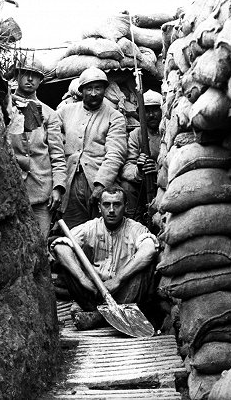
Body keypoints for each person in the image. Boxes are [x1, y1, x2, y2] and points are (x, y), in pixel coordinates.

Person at [50, 186, 159, 330]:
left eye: (117, 204)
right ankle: (101, 314)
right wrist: (83, 279)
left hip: (124, 295)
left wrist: (118, 280)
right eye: (107, 205)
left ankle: (98, 318)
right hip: (93, 293)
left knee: (146, 266)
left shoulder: (135, 228)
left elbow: (149, 249)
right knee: (67, 262)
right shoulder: (90, 227)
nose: (112, 210)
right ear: (99, 207)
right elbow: (60, 247)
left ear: (125, 207)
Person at [56, 67, 127, 228]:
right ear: (81, 90)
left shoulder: (114, 116)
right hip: (70, 180)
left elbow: (116, 153)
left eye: (98, 88)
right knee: (73, 231)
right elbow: (52, 140)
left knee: (101, 229)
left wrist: (101, 185)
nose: (94, 93)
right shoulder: (65, 112)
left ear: (105, 90)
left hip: (97, 180)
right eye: (89, 88)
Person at [6, 55, 67, 236]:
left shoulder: (49, 114)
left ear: (41, 80)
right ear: (17, 76)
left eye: (35, 75)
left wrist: (58, 187)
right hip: (12, 190)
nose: (30, 79)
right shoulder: (5, 107)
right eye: (25, 74)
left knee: (40, 244)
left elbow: (57, 154)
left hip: (41, 192)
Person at [120, 90, 162, 220]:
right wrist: (138, 170)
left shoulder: (168, 130)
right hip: (144, 185)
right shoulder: (136, 135)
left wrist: (159, 169)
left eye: (155, 110)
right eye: (146, 111)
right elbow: (127, 167)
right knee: (126, 187)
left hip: (165, 181)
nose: (151, 115)